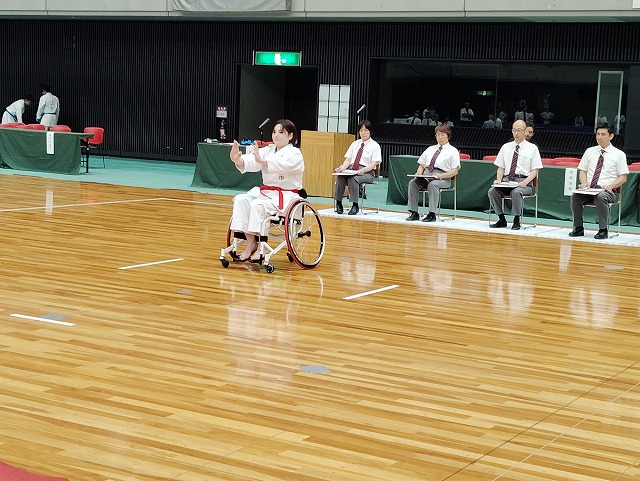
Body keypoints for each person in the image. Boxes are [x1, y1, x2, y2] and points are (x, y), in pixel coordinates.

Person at [229, 119, 304, 261]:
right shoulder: (267, 151)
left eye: (281, 132)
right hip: (267, 193)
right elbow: (251, 161)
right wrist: (237, 160)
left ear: (290, 136)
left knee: (257, 205)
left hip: (287, 196)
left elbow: (282, 166)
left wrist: (262, 161)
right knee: (241, 200)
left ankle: (261, 248)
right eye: (274, 132)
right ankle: (251, 242)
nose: (276, 135)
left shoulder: (295, 153)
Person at [569, 123, 628, 240]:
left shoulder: (619, 154)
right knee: (575, 196)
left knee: (600, 197)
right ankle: (578, 227)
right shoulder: (590, 151)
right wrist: (583, 182)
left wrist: (612, 185)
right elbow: (583, 171)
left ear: (611, 136)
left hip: (607, 191)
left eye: (603, 134)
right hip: (590, 189)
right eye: (598, 134)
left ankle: (603, 229)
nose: (599, 137)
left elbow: (623, 177)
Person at [487, 119, 542, 230]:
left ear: (524, 131)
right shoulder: (505, 147)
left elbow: (535, 170)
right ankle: (501, 218)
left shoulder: (532, 148)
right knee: (492, 191)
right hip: (507, 181)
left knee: (516, 192)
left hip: (524, 183)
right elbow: (501, 167)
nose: (516, 133)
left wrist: (525, 182)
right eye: (514, 130)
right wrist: (499, 180)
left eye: (519, 130)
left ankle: (516, 220)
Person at [406, 124, 460, 222]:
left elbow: (455, 170)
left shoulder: (453, 151)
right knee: (413, 183)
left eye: (442, 135)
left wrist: (442, 176)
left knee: (433, 184)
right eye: (438, 135)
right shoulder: (430, 149)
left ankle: (432, 214)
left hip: (443, 178)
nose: (440, 137)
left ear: (448, 136)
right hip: (427, 175)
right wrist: (419, 173)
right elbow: (421, 165)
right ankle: (414, 212)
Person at [334, 120, 382, 215]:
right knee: (340, 177)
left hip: (367, 172)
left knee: (353, 179)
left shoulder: (375, 145)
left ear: (370, 132)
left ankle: (355, 205)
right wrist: (342, 168)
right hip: (352, 169)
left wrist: (363, 170)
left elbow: (374, 164)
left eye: (366, 130)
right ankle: (339, 203)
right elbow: (348, 160)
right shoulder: (355, 144)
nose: (363, 133)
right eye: (361, 130)